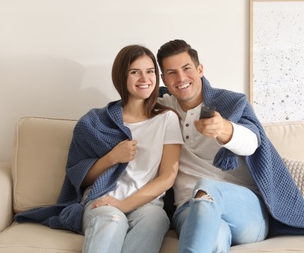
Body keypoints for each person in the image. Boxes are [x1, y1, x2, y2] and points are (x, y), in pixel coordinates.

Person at [156, 39, 304, 253]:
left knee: (206, 187)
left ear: (200, 69)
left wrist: (225, 129)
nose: (181, 78)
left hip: (246, 210)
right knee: (216, 236)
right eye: (171, 73)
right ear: (163, 79)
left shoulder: (229, 103)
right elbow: (126, 108)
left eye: (186, 69)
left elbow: (253, 143)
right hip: (188, 209)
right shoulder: (160, 108)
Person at [15, 45, 183, 253]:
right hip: (102, 200)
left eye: (149, 71)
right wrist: (112, 157)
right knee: (112, 220)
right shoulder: (96, 122)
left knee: (156, 220)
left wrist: (124, 205)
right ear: (121, 76)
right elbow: (80, 178)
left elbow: (167, 176)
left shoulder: (166, 119)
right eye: (134, 72)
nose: (144, 78)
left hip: (147, 205)